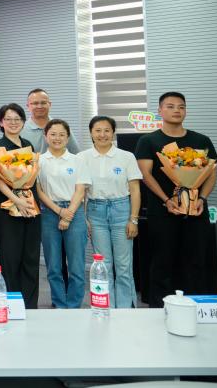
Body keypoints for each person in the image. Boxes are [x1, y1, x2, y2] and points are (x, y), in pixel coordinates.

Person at [135, 92, 217, 307]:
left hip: (196, 210)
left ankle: (195, 306)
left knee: (195, 260)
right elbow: (146, 175)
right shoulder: (148, 140)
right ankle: (160, 307)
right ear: (160, 110)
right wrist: (166, 200)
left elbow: (211, 174)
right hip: (162, 210)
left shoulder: (201, 140)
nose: (177, 110)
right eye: (170, 106)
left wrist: (202, 198)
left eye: (181, 107)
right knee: (162, 260)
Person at [79, 115, 142, 308]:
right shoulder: (82, 158)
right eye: (98, 130)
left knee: (123, 265)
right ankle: (105, 306)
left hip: (121, 210)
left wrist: (134, 219)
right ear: (91, 133)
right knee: (103, 264)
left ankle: (124, 308)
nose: (102, 134)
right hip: (95, 211)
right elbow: (80, 191)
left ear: (113, 133)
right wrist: (84, 218)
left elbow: (135, 190)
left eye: (107, 130)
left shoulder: (126, 156)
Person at [0, 103, 41, 309]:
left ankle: (30, 304)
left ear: (23, 121)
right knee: (10, 255)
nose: (13, 123)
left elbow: (32, 176)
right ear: (1, 122)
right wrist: (16, 200)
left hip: (30, 203)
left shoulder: (28, 145)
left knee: (31, 255)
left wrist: (26, 201)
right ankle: (12, 302)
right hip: (7, 205)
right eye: (8, 119)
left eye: (17, 119)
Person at [37, 119, 88, 309]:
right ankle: (59, 304)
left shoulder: (78, 160)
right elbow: (39, 191)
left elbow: (81, 189)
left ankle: (74, 305)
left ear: (67, 138)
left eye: (61, 135)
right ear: (46, 136)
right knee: (54, 266)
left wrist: (68, 214)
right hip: (49, 212)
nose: (57, 138)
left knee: (76, 265)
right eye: (53, 134)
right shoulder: (39, 161)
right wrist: (59, 211)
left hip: (75, 212)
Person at [23, 88, 81, 154]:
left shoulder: (62, 127)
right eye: (35, 103)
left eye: (43, 103)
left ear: (50, 104)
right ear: (28, 106)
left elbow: (76, 154)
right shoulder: (21, 130)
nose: (39, 106)